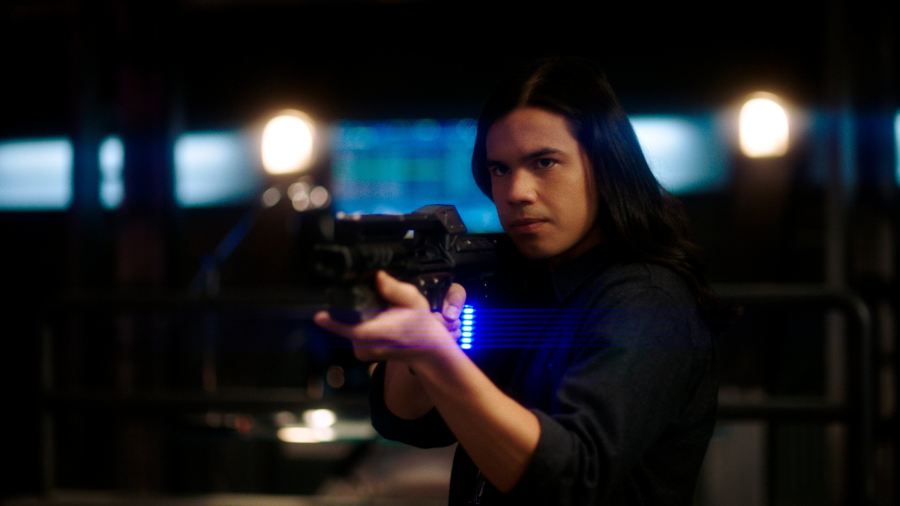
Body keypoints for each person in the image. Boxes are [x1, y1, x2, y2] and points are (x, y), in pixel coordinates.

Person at [314, 56, 722, 505]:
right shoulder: (526, 281)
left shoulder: (647, 300)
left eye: (544, 162)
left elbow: (571, 478)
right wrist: (418, 345)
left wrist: (432, 352)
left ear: (605, 166)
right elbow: (409, 421)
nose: (516, 193)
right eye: (500, 169)